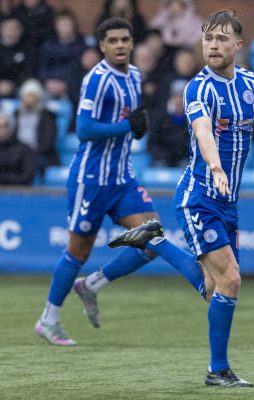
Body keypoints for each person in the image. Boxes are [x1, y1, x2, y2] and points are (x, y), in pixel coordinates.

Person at [110, 10, 254, 387]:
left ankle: (154, 241)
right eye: (208, 38)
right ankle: (218, 370)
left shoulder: (253, 84)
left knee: (213, 288)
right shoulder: (199, 88)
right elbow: (202, 131)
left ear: (238, 45)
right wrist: (215, 167)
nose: (213, 45)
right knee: (231, 279)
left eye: (221, 38)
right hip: (199, 196)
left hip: (227, 201)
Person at [35, 17, 207, 347]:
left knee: (151, 236)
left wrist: (137, 127)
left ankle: (92, 284)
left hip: (122, 177)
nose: (119, 45)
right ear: (102, 45)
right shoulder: (97, 80)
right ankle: (48, 319)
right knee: (78, 251)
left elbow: (130, 123)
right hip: (92, 179)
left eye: (124, 40)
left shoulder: (134, 75)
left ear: (132, 43)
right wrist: (128, 126)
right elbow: (84, 129)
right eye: (112, 40)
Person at [14, 79, 59, 179]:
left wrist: (32, 152)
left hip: (40, 153)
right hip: (19, 152)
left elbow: (49, 140)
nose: (30, 99)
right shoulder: (17, 113)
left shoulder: (47, 116)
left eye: (33, 96)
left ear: (39, 98)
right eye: (27, 96)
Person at [38, 9, 86, 99]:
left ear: (73, 25)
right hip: (50, 85)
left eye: (67, 24)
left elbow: (80, 69)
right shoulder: (48, 45)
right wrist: (48, 82)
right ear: (56, 26)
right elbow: (42, 67)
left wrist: (67, 83)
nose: (65, 27)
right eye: (61, 24)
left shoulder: (82, 45)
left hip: (74, 86)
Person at [0, 16, 35, 98]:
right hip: (1, 84)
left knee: (32, 87)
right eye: (10, 29)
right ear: (1, 30)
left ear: (21, 30)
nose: (13, 31)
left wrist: (14, 84)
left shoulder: (28, 46)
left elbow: (29, 69)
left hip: (21, 84)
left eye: (16, 28)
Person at [0, 112, 35, 185]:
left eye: (5, 126)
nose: (2, 130)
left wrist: (4, 179)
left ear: (11, 127)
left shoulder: (24, 149)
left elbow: (27, 176)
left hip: (18, 190)